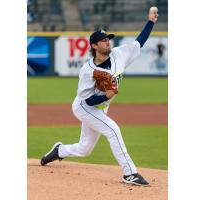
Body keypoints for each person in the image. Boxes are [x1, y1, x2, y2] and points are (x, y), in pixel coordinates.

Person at [41, 8, 158, 186]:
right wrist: (106, 95)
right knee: (113, 130)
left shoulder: (120, 54)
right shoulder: (88, 71)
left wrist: (151, 22)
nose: (107, 42)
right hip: (85, 107)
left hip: (101, 107)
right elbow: (87, 100)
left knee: (84, 148)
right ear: (95, 46)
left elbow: (139, 42)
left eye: (108, 39)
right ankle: (129, 173)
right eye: (103, 41)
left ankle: (59, 150)